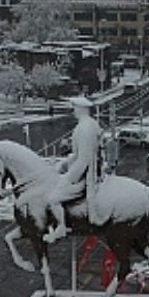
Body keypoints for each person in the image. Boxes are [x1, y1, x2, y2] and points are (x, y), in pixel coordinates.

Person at [46, 96, 103, 242]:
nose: (73, 111)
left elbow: (83, 160)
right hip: (92, 169)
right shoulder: (90, 124)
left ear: (82, 109)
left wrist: (69, 178)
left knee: (53, 199)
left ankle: (61, 227)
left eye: (75, 108)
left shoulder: (84, 128)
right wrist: (64, 164)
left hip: (86, 175)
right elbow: (78, 155)